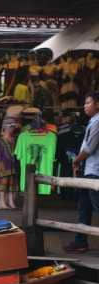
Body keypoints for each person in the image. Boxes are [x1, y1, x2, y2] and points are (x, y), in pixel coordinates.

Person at [65, 92, 99, 253]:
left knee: (96, 206)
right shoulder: (92, 122)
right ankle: (81, 241)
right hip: (90, 170)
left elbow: (89, 148)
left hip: (96, 172)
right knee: (83, 207)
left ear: (97, 104)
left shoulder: (98, 122)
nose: (85, 106)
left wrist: (76, 160)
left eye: (88, 103)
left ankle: (81, 241)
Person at [0, 117, 19, 209]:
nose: (12, 130)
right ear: (6, 128)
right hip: (2, 164)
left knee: (11, 183)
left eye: (13, 128)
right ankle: (2, 202)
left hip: (12, 164)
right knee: (2, 184)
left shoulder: (14, 139)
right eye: (10, 128)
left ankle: (11, 201)